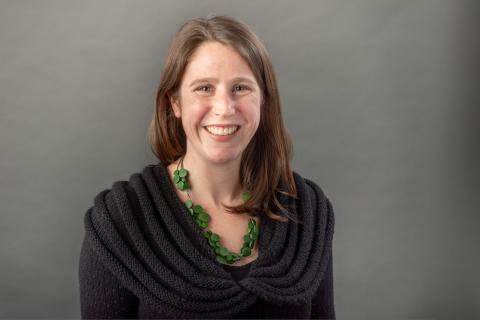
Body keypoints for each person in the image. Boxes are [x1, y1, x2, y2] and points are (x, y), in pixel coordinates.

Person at [79, 15, 335, 319]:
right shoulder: (120, 222)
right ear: (174, 102)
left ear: (264, 100)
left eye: (240, 87)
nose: (225, 108)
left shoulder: (305, 211)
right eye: (204, 88)